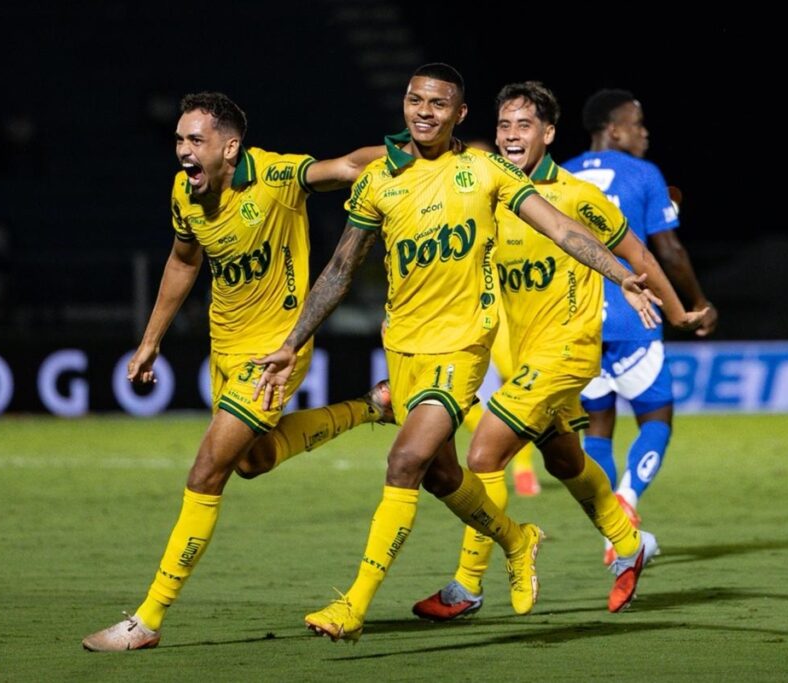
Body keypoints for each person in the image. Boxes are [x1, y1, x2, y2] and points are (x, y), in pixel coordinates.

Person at [251, 64, 661, 642]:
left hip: (464, 347)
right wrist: (291, 343)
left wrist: (622, 275)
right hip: (405, 349)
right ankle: (521, 540)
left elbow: (563, 229)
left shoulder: (486, 170)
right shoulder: (379, 181)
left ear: (458, 115)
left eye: (439, 104)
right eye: (416, 100)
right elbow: (341, 269)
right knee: (457, 474)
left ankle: (356, 604)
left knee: (406, 462)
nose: (424, 111)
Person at [81, 92, 391, 651]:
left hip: (276, 352)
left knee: (206, 472)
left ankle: (146, 621)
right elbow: (183, 260)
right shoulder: (185, 192)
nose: (182, 151)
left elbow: (349, 165)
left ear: (230, 146)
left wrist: (421, 152)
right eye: (178, 139)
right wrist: (151, 340)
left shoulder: (275, 176)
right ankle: (371, 406)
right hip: (222, 351)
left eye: (194, 140)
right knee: (253, 460)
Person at [410, 81, 707, 621]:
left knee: (483, 454)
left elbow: (638, 249)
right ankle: (629, 543)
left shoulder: (575, 196)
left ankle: (467, 585)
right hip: (524, 354)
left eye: (524, 125)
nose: (511, 135)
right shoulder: (490, 196)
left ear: (548, 134)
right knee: (566, 458)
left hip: (568, 352)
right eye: (504, 126)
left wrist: (678, 309)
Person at [562, 90, 718, 563]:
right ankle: (627, 501)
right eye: (637, 123)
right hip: (636, 317)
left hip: (577, 322)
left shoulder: (561, 174)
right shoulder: (643, 174)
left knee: (598, 431)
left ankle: (613, 530)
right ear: (613, 129)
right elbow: (667, 250)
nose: (644, 132)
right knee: (656, 420)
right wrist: (696, 303)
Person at [462, 138, 541, 496]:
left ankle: (522, 466)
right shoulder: (452, 205)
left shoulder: (512, 204)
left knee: (516, 386)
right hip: (464, 311)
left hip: (508, 309)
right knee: (456, 395)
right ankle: (494, 446)